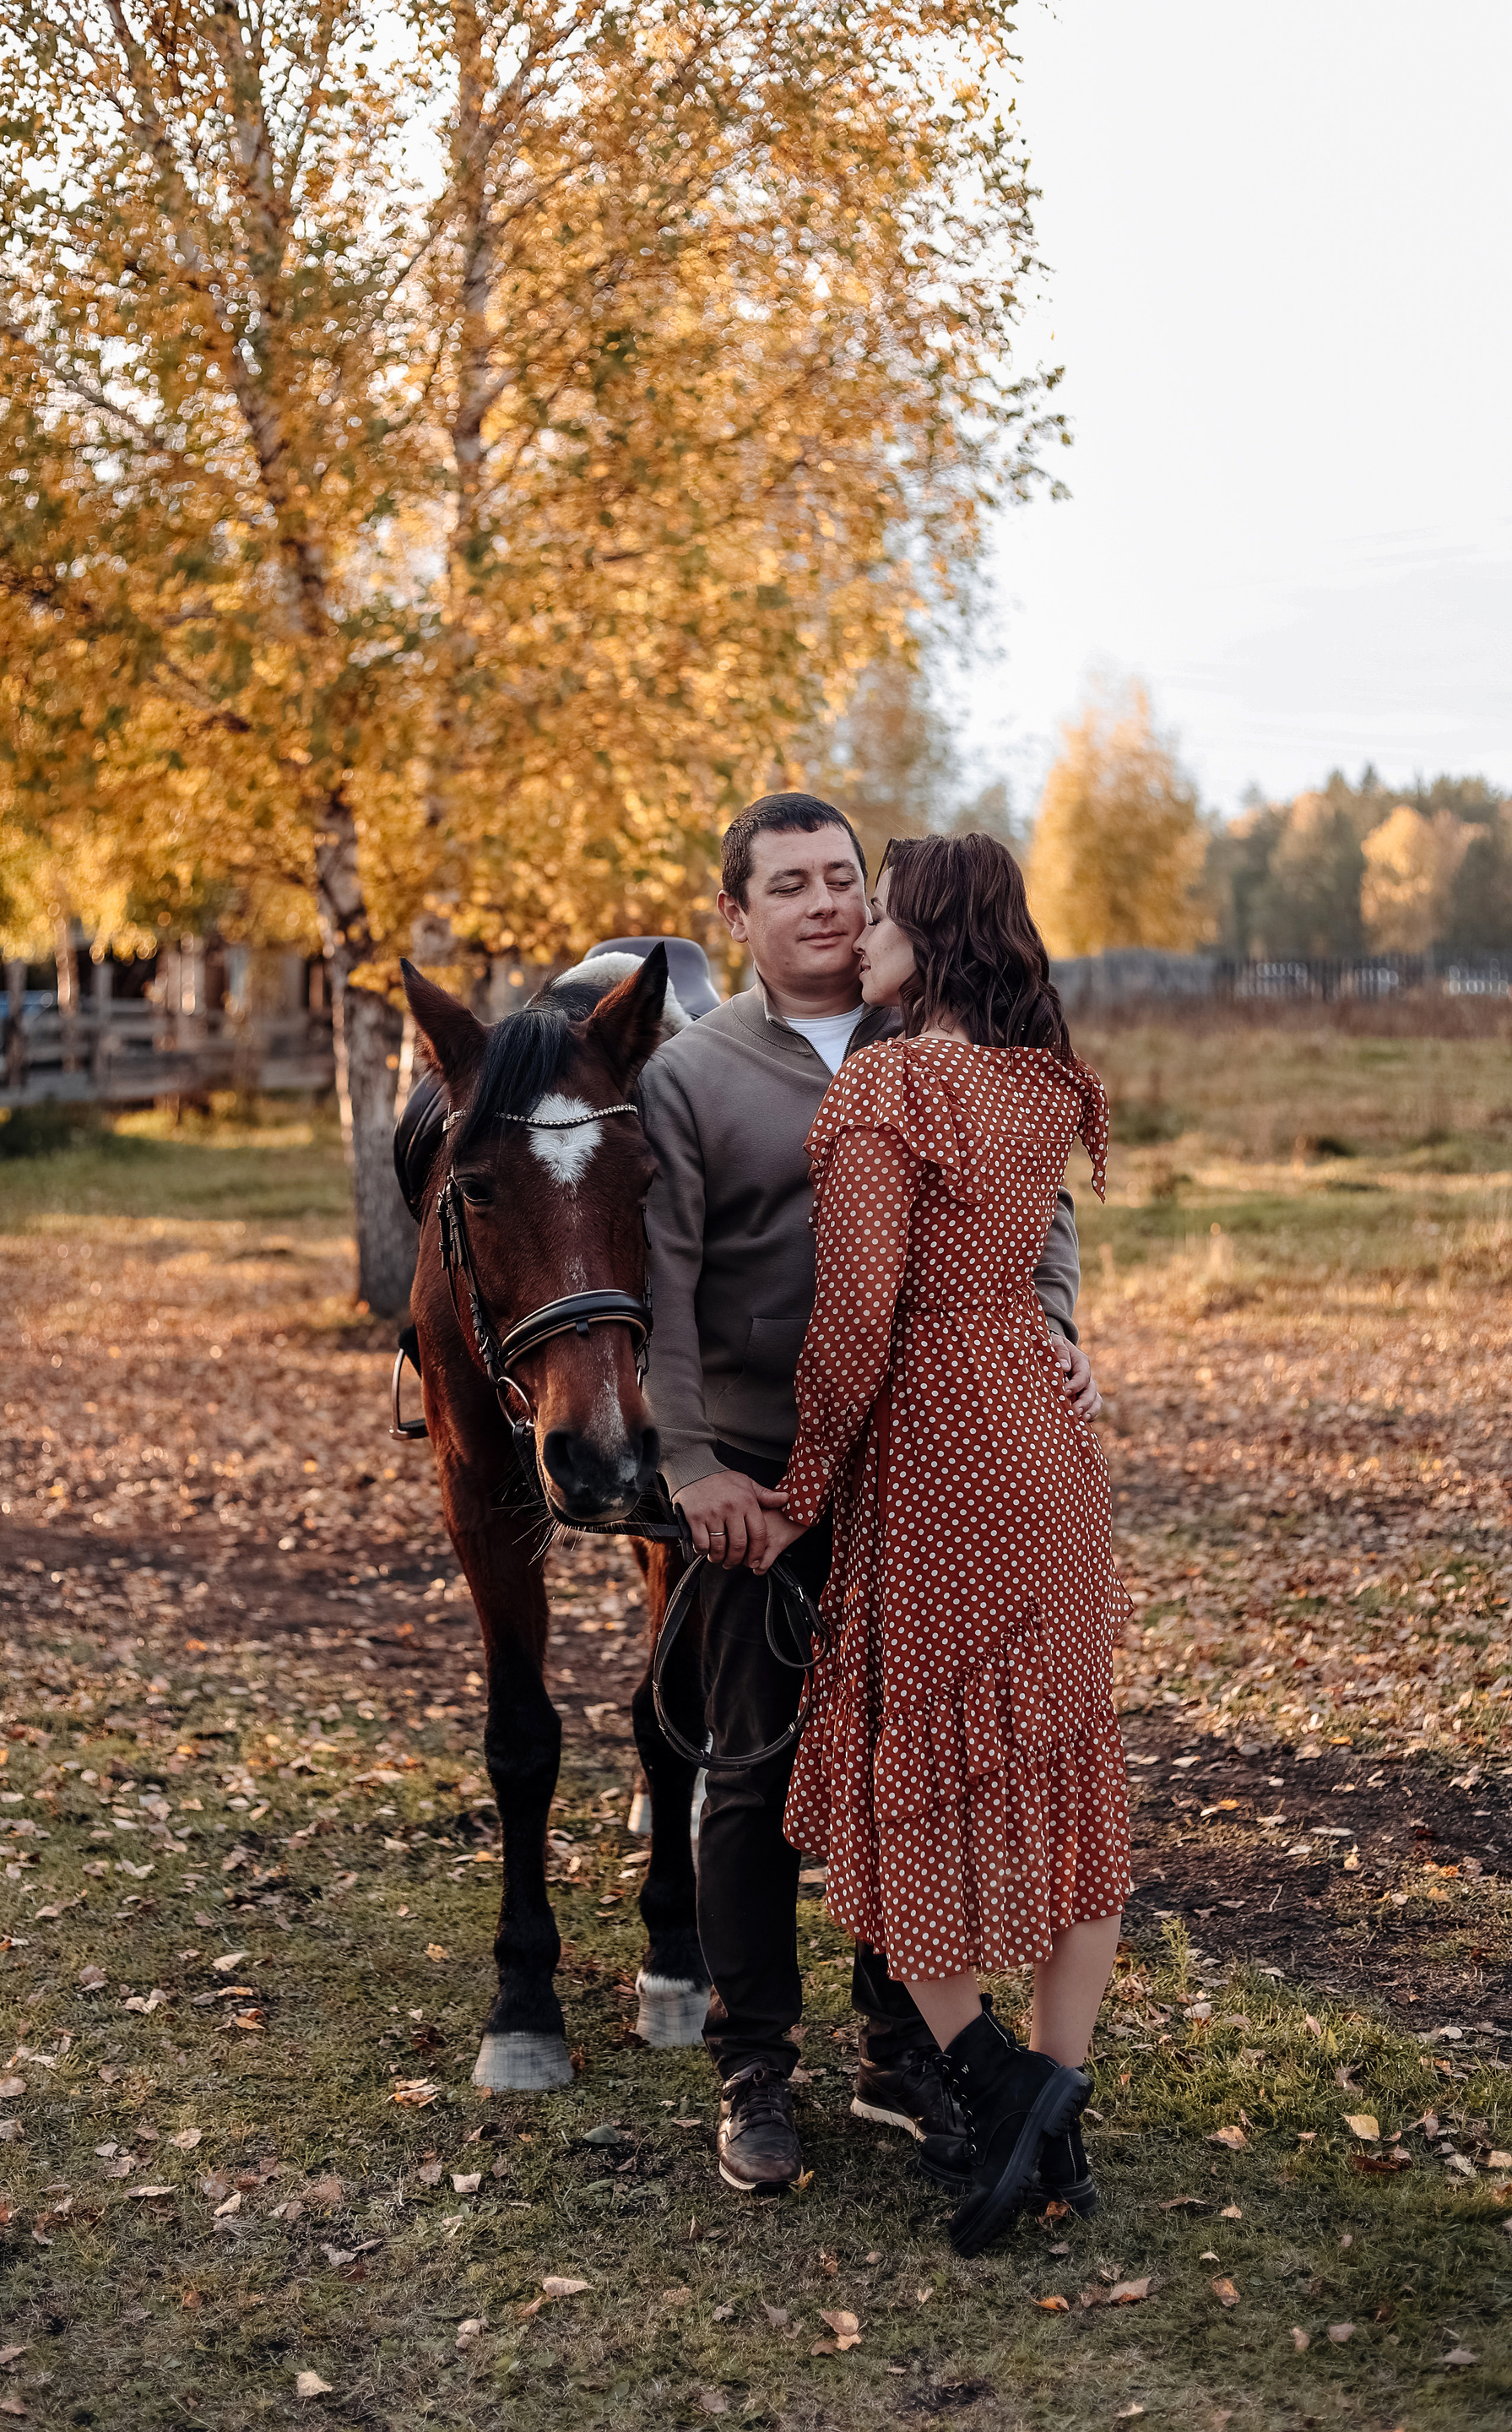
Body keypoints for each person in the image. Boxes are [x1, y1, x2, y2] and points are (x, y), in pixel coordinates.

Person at [639, 793, 1102, 2196]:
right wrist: (691, 1463)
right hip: (760, 1472)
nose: (830, 903)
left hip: (933, 1473)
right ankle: (755, 2065)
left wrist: (1057, 1331)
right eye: (791, 884)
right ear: (738, 914)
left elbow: (1040, 1223)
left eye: (846, 876)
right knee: (753, 1767)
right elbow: (665, 1284)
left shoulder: (926, 1044)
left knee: (921, 1767)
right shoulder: (693, 1074)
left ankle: (909, 2052)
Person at [750, 832, 1134, 2256]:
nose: (862, 935)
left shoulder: (891, 1084)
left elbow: (858, 1324)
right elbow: (1027, 1262)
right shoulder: (1042, 1082)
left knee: (901, 1770)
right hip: (1041, 1437)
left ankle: (995, 2084)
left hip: (937, 1450)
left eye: (885, 918)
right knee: (1065, 1767)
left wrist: (801, 1481)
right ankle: (1057, 2111)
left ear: (934, 939)